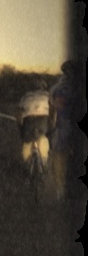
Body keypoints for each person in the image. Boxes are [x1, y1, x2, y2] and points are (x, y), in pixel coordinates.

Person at [48, 60, 83, 200]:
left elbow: (54, 109)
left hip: (65, 126)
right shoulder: (65, 88)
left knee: (59, 154)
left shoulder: (59, 88)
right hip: (67, 125)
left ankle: (60, 188)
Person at [16, 80, 50, 170]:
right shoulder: (47, 96)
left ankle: (27, 162)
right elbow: (53, 112)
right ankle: (44, 161)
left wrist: (20, 128)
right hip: (43, 121)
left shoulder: (26, 96)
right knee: (44, 137)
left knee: (27, 141)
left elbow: (19, 114)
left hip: (29, 121)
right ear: (44, 88)